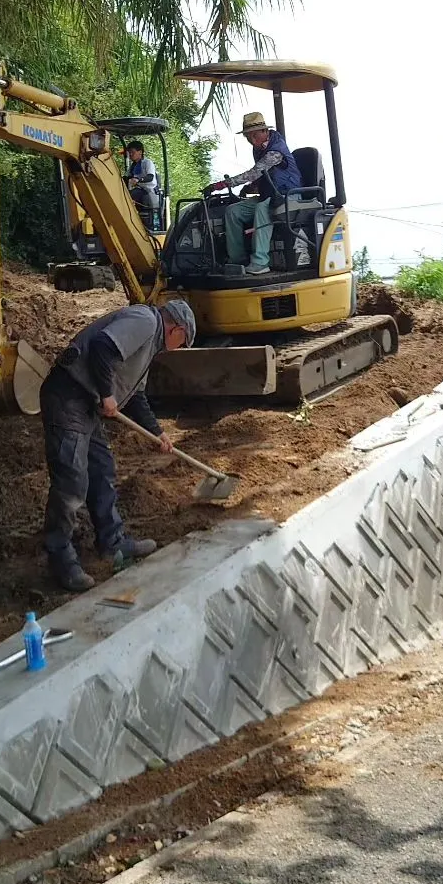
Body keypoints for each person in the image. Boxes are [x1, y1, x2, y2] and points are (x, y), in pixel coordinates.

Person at [39, 299, 197, 592]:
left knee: (102, 469)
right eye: (183, 342)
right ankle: (61, 560)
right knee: (72, 482)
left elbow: (136, 396)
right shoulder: (145, 322)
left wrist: (158, 432)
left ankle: (113, 544)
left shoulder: (149, 347)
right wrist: (107, 393)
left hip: (86, 402)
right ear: (177, 329)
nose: (179, 348)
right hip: (69, 395)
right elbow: (102, 347)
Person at [202, 112, 303, 276]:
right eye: (248, 137)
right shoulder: (259, 149)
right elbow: (263, 177)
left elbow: (255, 173)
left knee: (262, 208)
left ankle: (260, 262)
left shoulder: (276, 150)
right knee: (233, 211)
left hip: (289, 195)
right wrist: (249, 188)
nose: (252, 140)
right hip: (271, 195)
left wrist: (220, 185)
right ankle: (238, 259)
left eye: (255, 135)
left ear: (264, 131)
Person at [124, 140, 160, 231]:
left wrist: (138, 180)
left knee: (128, 196)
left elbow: (150, 177)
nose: (131, 155)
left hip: (148, 191)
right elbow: (127, 177)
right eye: (129, 153)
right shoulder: (133, 166)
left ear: (140, 152)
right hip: (139, 190)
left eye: (132, 152)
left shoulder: (147, 163)